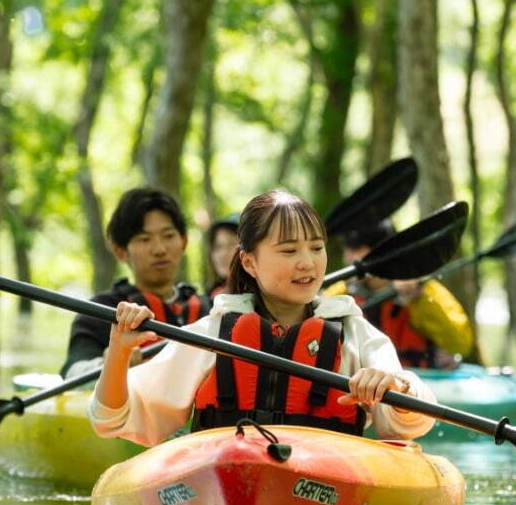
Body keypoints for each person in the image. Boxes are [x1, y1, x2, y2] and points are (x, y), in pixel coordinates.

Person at [90, 189, 437, 446]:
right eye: (289, 250)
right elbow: (112, 420)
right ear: (249, 262)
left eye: (316, 248)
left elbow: (409, 424)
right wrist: (119, 352)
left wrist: (396, 386)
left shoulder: (355, 333)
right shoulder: (211, 333)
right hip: (225, 476)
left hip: (328, 488)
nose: (307, 262)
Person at [61, 187, 210, 376]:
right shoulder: (101, 311)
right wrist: (112, 362)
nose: (159, 249)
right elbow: (72, 372)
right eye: (144, 239)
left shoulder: (209, 310)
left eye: (169, 236)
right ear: (121, 252)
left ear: (184, 242)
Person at [340, 220, 474, 369]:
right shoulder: (342, 293)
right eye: (349, 250)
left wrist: (420, 298)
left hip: (419, 383)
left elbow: (461, 345)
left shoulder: (424, 289)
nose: (350, 259)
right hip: (364, 384)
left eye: (358, 249)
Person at [204, 213, 240, 298]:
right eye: (218, 247)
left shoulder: (265, 298)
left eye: (231, 244)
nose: (223, 254)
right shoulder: (210, 296)